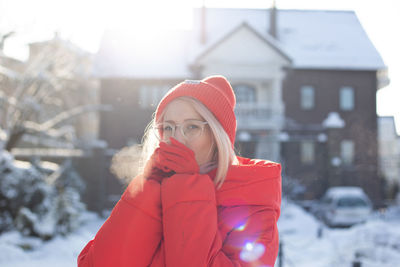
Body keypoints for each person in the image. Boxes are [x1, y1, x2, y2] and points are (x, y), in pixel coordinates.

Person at [77, 75, 282, 267]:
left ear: (217, 136)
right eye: (168, 127)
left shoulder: (255, 205)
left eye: (192, 127)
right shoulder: (154, 187)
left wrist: (187, 188)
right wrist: (146, 191)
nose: (177, 139)